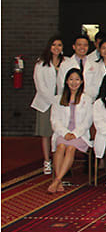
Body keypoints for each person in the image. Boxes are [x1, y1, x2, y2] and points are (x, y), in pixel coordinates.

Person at [48, 69, 93, 193]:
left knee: (70, 148)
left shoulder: (86, 99)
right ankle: (59, 180)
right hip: (63, 133)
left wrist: (75, 134)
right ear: (67, 81)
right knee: (61, 146)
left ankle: (57, 180)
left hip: (80, 135)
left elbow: (87, 121)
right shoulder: (58, 99)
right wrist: (64, 133)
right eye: (71, 79)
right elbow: (55, 120)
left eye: (77, 79)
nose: (74, 82)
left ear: (82, 81)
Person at [32, 36, 64, 175]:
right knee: (46, 134)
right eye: (54, 45)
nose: (57, 48)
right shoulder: (41, 63)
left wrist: (60, 101)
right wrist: (53, 101)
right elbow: (40, 85)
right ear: (49, 47)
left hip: (62, 103)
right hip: (45, 103)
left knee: (59, 133)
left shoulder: (66, 62)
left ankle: (59, 160)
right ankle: (47, 161)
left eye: (59, 45)